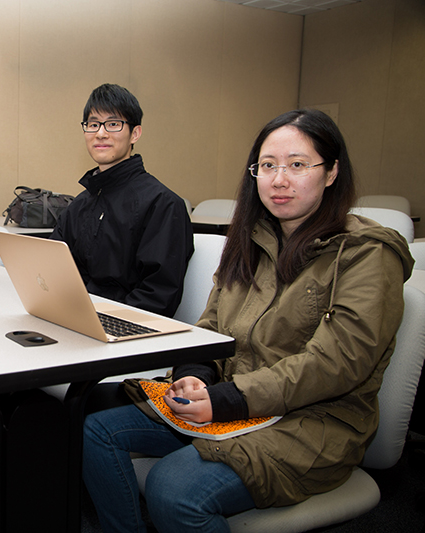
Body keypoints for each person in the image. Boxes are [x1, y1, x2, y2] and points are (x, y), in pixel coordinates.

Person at [82, 108, 414, 532]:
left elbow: (337, 364)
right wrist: (195, 373)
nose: (278, 180)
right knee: (94, 430)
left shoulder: (367, 254)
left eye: (297, 165)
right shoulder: (250, 240)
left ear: (331, 172)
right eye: (267, 166)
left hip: (315, 420)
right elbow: (210, 326)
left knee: (173, 488)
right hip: (232, 399)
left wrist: (228, 399)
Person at [50, 83, 193, 317]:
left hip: (126, 333)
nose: (101, 133)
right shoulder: (79, 205)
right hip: (77, 319)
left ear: (135, 133)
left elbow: (157, 298)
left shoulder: (163, 204)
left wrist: (98, 320)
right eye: (93, 124)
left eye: (113, 124)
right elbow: (53, 268)